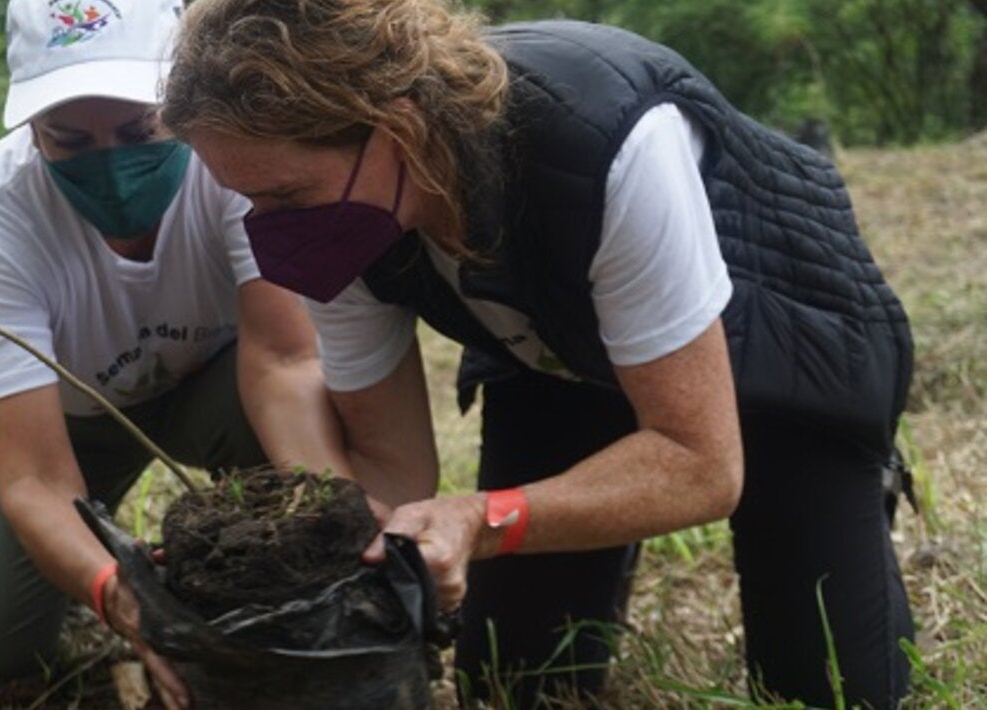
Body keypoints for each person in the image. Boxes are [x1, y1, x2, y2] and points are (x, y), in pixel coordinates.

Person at [162, 2, 915, 708]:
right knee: (514, 681)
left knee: (829, 688)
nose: (267, 232)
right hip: (558, 360)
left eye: (284, 197)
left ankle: (843, 488)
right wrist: (303, 571)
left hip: (782, 357)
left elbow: (700, 466)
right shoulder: (339, 220)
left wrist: (486, 520)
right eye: (245, 200)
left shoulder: (603, 139)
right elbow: (392, 467)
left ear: (395, 127)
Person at [0, 1, 342, 706]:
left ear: (183, 98)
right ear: (30, 130)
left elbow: (286, 361)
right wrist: (122, 598)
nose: (114, 163)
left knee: (323, 423)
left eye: (142, 128)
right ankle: (72, 578)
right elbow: (37, 479)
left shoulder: (236, 163)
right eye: (70, 140)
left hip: (224, 391)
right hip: (64, 419)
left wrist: (335, 527)